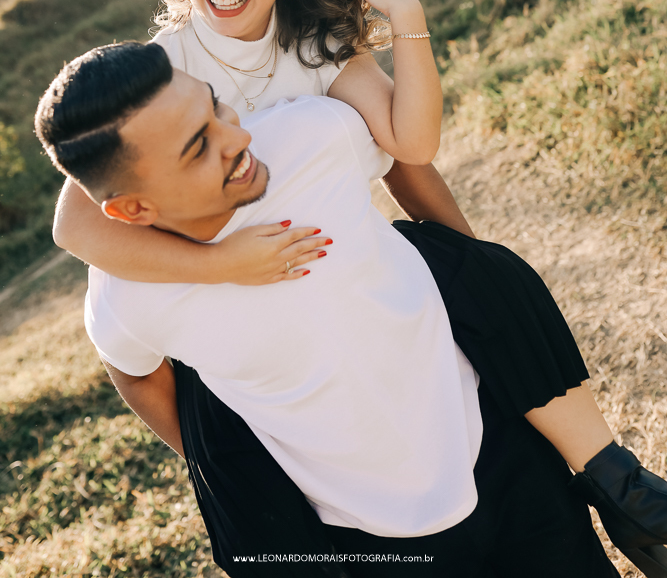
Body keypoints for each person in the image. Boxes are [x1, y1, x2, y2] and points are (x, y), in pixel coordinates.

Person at [51, 0, 667, 575]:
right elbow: (77, 227)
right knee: (237, 440)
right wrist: (221, 265)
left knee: (476, 274)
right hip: (227, 267)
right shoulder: (162, 74)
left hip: (339, 242)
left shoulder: (310, 43)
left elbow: (410, 152)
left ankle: (614, 482)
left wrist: (408, 24)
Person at [36, 41, 620, 577]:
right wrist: (222, 462)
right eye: (198, 149)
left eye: (215, 108)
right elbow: (132, 371)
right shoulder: (128, 297)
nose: (236, 139)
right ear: (133, 209)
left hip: (497, 451)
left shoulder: (312, 134)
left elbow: (406, 152)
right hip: (361, 534)